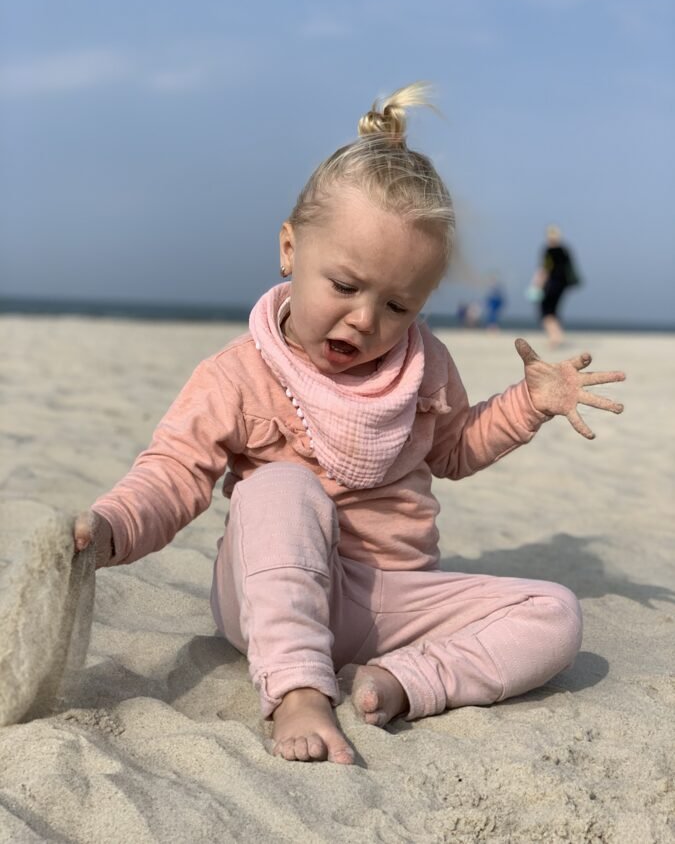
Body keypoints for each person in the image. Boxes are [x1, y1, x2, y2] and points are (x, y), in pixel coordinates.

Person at [73, 83, 625, 766]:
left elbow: (453, 449)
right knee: (278, 487)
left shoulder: (423, 367)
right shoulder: (239, 374)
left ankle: (403, 682)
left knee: (555, 615)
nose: (365, 320)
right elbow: (171, 473)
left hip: (390, 604)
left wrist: (526, 405)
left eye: (397, 305)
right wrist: (110, 528)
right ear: (288, 250)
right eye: (342, 286)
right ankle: (299, 690)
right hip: (269, 590)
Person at [530, 225, 581, 347]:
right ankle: (558, 336)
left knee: (546, 311)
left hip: (551, 284)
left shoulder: (549, 251)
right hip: (563, 285)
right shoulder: (565, 250)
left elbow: (545, 269)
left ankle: (554, 338)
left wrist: (537, 284)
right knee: (554, 311)